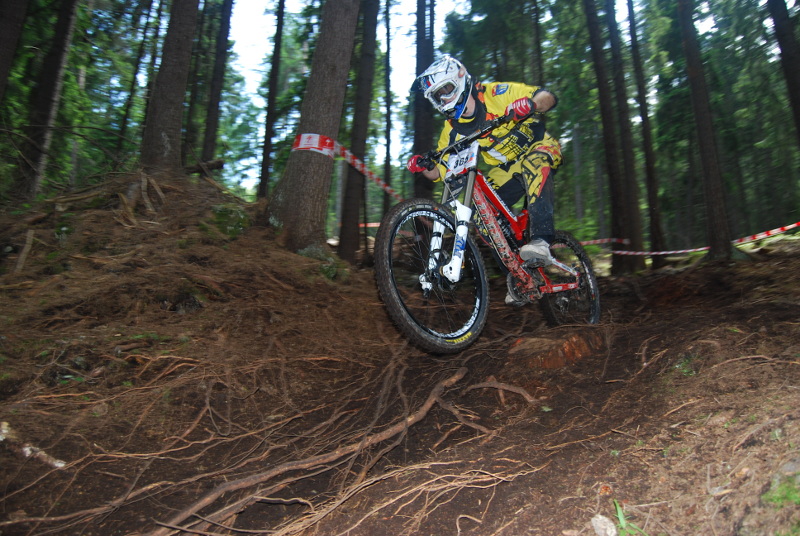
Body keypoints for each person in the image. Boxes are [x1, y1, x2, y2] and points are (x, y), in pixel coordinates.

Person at [407, 55, 562, 305]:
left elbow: (548, 97)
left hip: (540, 148)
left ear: (460, 78)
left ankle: (542, 240)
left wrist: (531, 105)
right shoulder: (452, 129)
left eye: (446, 89)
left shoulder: (495, 94)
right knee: (482, 214)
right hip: (507, 169)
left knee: (534, 163)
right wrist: (424, 166)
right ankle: (519, 274)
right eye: (437, 96)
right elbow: (439, 172)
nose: (444, 98)